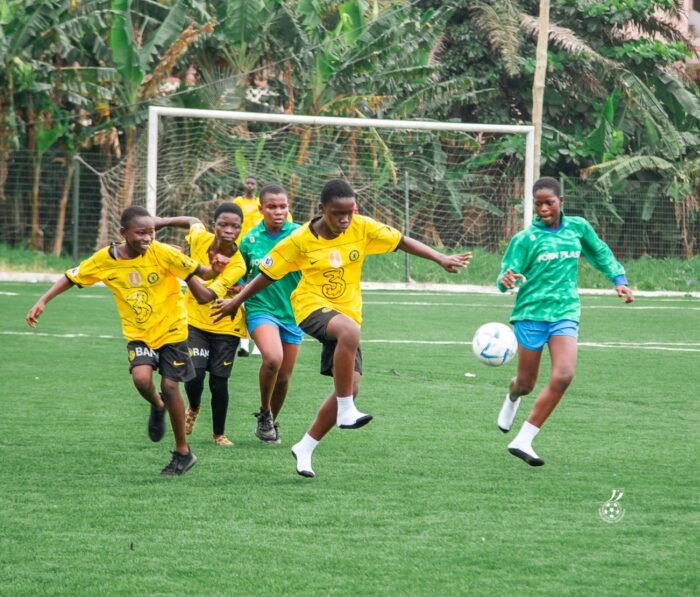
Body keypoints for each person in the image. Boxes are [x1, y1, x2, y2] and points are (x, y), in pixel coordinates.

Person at [214, 179, 471, 477]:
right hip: (310, 307)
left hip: (347, 313)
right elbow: (266, 274)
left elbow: (400, 240)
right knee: (349, 337)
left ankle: (305, 446)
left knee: (351, 384)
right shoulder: (299, 240)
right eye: (338, 213)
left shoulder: (362, 228)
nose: (345, 219)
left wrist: (439, 257)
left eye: (350, 212)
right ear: (322, 209)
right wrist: (235, 302)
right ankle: (346, 408)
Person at [25, 206, 226, 476]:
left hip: (172, 329)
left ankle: (183, 452)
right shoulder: (104, 260)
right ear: (123, 233)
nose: (147, 238)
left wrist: (215, 269)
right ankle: (158, 405)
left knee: (170, 385)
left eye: (151, 232)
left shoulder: (163, 253)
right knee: (141, 380)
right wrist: (42, 300)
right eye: (141, 233)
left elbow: (202, 272)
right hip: (138, 332)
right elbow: (71, 277)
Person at [495, 176, 634, 466]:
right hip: (530, 315)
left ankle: (524, 439)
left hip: (565, 313)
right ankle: (513, 395)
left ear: (561, 202)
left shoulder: (578, 227)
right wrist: (506, 280)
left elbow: (600, 252)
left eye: (549, 203)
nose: (543, 209)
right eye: (538, 204)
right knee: (526, 383)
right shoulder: (525, 240)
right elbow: (506, 276)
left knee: (564, 375)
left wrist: (619, 280)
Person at [155, 203, 247, 446]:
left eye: (235, 226)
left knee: (219, 382)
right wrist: (161, 222)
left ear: (240, 228)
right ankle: (193, 407)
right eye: (223, 224)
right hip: (194, 322)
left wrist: (182, 267)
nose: (229, 230)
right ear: (214, 225)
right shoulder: (200, 239)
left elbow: (205, 297)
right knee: (194, 374)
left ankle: (219, 434)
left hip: (225, 325)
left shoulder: (237, 264)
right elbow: (193, 221)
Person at [238, 184, 303, 445]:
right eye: (272, 207)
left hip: (293, 312)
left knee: (284, 378)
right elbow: (239, 276)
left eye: (283, 206)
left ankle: (270, 421)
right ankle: (264, 412)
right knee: (273, 358)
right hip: (260, 308)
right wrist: (235, 290)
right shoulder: (250, 241)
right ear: (260, 209)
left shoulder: (300, 235)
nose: (278, 211)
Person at [233, 175, 262, 356]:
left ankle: (258, 345)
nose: (250, 185)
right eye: (248, 183)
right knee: (240, 294)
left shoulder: (261, 204)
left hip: (258, 251)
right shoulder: (237, 202)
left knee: (259, 295)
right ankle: (244, 344)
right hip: (239, 251)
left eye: (253, 183)